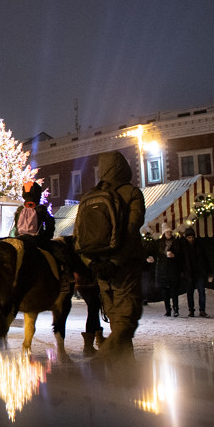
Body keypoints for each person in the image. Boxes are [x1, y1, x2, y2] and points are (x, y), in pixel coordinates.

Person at [77, 151, 145, 361]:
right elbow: (133, 231)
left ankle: (123, 370)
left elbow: (78, 238)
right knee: (127, 319)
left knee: (115, 318)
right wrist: (115, 261)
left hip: (100, 270)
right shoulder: (132, 193)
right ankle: (104, 359)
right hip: (124, 266)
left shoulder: (89, 196)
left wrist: (93, 263)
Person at [148, 224, 183, 317]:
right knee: (164, 292)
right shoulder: (159, 243)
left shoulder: (176, 243)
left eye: (170, 232)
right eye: (167, 232)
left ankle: (176, 309)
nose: (169, 233)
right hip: (162, 270)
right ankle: (168, 309)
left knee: (174, 291)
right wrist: (151, 258)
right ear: (164, 233)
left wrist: (174, 256)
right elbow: (153, 253)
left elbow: (180, 255)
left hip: (173, 270)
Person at [180, 228, 213, 317]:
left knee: (201, 291)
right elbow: (182, 260)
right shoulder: (183, 247)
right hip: (189, 272)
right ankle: (191, 310)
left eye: (192, 237)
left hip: (199, 272)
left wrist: (209, 272)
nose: (191, 239)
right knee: (190, 292)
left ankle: (202, 310)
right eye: (189, 237)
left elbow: (205, 259)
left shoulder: (199, 246)